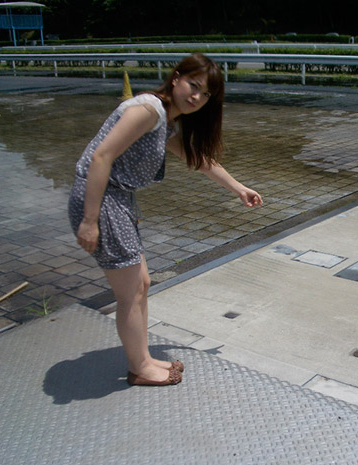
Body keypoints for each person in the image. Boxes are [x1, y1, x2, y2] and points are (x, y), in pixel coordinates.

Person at [68, 54, 262, 386]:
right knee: (131, 292)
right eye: (193, 85)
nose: (196, 97)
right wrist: (90, 220)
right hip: (103, 201)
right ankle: (139, 368)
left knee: (140, 285)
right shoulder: (149, 110)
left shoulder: (163, 120)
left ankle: (142, 359)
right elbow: (101, 156)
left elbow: (198, 159)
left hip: (117, 201)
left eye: (205, 94)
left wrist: (238, 188)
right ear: (176, 78)